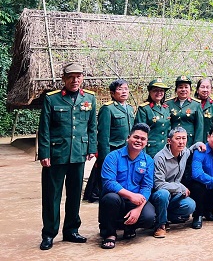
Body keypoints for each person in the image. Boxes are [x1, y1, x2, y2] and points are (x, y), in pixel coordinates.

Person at [38, 62, 97, 251]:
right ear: (64, 78)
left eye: (78, 76)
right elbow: (44, 129)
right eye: (71, 76)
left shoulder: (89, 98)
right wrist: (44, 153)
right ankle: (49, 233)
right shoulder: (52, 99)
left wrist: (92, 148)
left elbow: (92, 126)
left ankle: (71, 230)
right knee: (51, 195)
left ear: (82, 78)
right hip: (56, 154)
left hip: (78, 153)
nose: (75, 80)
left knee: (74, 194)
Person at [99, 123, 156, 249]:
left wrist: (138, 209)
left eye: (143, 139)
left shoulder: (148, 161)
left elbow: (147, 186)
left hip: (135, 201)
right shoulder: (113, 156)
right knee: (111, 198)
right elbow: (108, 182)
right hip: (117, 199)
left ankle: (129, 227)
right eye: (136, 137)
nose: (139, 141)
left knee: (149, 217)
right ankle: (109, 234)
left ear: (146, 142)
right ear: (128, 138)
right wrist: (130, 195)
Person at [87, 78, 135, 201]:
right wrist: (104, 157)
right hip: (114, 150)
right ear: (113, 93)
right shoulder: (108, 109)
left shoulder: (130, 108)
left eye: (126, 89)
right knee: (108, 180)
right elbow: (103, 135)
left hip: (127, 151)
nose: (124, 92)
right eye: (120, 89)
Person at [150, 127, 198, 237]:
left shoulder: (184, 152)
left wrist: (198, 144)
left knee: (190, 205)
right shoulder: (160, 157)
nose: (181, 142)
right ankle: (160, 225)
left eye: (184, 138)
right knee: (164, 194)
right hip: (158, 196)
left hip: (174, 195)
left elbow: (190, 149)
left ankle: (165, 217)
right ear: (169, 141)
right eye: (178, 138)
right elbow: (159, 185)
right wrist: (180, 187)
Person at [135, 79, 172, 157]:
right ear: (150, 92)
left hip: (165, 150)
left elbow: (168, 129)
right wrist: (142, 154)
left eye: (161, 91)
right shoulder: (144, 109)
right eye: (155, 90)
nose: (159, 93)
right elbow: (140, 133)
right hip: (150, 150)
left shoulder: (166, 108)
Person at [166, 75, 204, 147]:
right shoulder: (168, 103)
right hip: (173, 141)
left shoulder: (196, 104)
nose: (183, 90)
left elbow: (199, 126)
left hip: (189, 141)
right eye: (180, 87)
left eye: (186, 87)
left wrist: (197, 143)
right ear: (176, 89)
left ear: (190, 89)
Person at [195, 77, 213, 142]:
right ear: (197, 89)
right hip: (192, 140)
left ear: (211, 90)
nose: (205, 90)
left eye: (207, 87)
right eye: (202, 87)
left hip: (208, 141)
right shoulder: (192, 104)